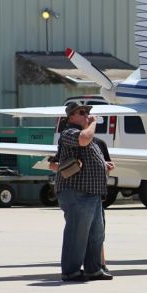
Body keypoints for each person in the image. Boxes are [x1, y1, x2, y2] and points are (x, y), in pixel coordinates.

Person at [55, 102, 114, 281]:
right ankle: (71, 271)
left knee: (96, 234)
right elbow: (84, 139)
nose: (86, 115)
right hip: (76, 192)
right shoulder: (69, 133)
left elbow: (88, 153)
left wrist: (104, 166)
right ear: (71, 117)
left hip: (92, 193)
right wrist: (93, 122)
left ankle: (93, 269)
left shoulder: (92, 139)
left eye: (88, 112)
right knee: (77, 233)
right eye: (81, 112)